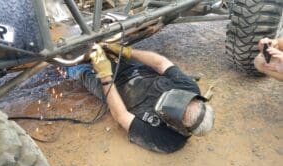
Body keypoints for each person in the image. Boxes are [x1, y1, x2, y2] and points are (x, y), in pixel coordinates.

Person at [66, 43, 215, 153]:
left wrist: (105, 77)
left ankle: (67, 65)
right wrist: (126, 51)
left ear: (181, 126)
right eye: (185, 100)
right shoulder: (190, 88)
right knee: (103, 48)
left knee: (78, 69)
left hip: (115, 91)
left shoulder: (168, 140)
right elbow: (160, 63)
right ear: (197, 99)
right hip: (136, 69)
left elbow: (121, 115)